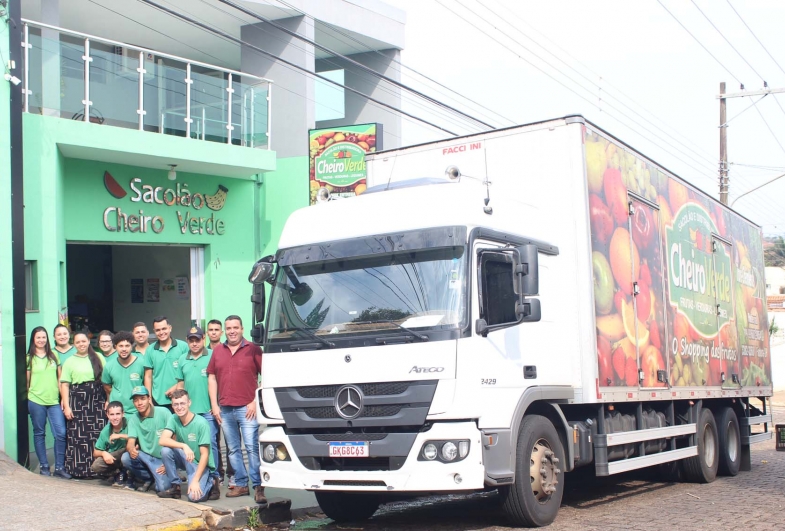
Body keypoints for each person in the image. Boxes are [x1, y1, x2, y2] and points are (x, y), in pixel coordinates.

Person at [208, 315, 265, 504]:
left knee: (251, 448)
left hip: (247, 408)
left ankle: (258, 486)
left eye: (235, 327)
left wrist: (256, 400)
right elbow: (212, 377)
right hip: (225, 409)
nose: (232, 331)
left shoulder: (253, 349)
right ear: (225, 331)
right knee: (233, 450)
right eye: (229, 328)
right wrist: (214, 405)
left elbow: (267, 375)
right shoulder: (218, 352)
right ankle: (241, 484)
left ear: (242, 329)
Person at [175, 326, 221, 482]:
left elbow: (217, 382)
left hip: (208, 410)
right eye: (191, 340)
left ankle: (214, 476)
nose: (194, 343)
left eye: (197, 340)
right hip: (189, 412)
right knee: (190, 443)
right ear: (187, 341)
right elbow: (180, 385)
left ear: (204, 339)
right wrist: (179, 406)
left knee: (211, 443)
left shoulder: (212, 356)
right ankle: (196, 473)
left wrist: (215, 405)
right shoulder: (182, 359)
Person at [158, 389, 220, 501]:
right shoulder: (174, 418)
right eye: (176, 404)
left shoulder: (201, 423)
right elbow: (162, 440)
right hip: (185, 457)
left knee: (194, 497)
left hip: (199, 463)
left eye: (182, 403)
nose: (179, 407)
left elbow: (205, 455)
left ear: (189, 403)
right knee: (165, 451)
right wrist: (183, 446)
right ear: (172, 406)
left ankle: (211, 481)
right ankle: (175, 486)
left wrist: (195, 480)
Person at [60, 331, 106, 478]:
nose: (81, 344)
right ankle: (79, 470)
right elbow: (65, 385)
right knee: (78, 437)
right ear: (74, 344)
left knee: (97, 435)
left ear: (88, 342)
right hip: (78, 403)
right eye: (78, 342)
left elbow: (107, 381)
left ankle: (99, 469)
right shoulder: (69, 361)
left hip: (97, 402)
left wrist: (109, 400)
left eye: (84, 341)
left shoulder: (98, 357)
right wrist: (67, 406)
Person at [26, 326, 69, 478]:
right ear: (33, 339)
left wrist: (63, 399)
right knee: (39, 433)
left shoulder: (54, 355)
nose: (41, 340)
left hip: (53, 401)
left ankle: (59, 467)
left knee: (61, 433)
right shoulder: (29, 358)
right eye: (38, 337)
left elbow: (60, 379)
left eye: (44, 337)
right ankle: (44, 466)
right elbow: (27, 381)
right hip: (36, 400)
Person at [122, 386, 173, 493]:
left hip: (162, 458)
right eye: (135, 400)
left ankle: (162, 476)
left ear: (149, 399)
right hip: (146, 457)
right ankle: (148, 477)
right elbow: (130, 442)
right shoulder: (133, 418)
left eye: (142, 398)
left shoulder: (164, 412)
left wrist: (167, 462)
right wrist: (131, 449)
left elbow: (174, 438)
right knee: (126, 458)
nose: (139, 403)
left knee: (163, 488)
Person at [205, 319, 233, 486]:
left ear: (221, 332)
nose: (214, 332)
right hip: (211, 407)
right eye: (211, 330)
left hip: (228, 404)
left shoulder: (227, 350)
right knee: (213, 441)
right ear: (207, 333)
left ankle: (232, 474)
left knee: (231, 441)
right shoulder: (203, 352)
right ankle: (218, 473)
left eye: (217, 329)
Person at [143, 316, 188, 412]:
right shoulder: (150, 350)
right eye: (158, 330)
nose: (161, 332)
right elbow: (148, 376)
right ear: (154, 331)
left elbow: (188, 373)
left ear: (170, 328)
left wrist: (176, 387)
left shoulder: (183, 347)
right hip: (157, 400)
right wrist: (149, 398)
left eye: (164, 328)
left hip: (180, 399)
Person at [102, 330, 147, 414]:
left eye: (127, 346)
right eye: (121, 346)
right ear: (115, 347)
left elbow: (147, 383)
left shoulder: (142, 363)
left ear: (132, 347)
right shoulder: (109, 366)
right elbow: (107, 387)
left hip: (137, 410)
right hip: (117, 412)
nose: (124, 349)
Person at [91, 401, 129, 486]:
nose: (115, 417)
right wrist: (103, 453)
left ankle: (131, 476)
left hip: (128, 452)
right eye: (112, 414)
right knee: (96, 465)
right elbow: (95, 452)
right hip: (114, 457)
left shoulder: (130, 423)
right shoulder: (105, 431)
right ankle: (117, 473)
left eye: (118, 414)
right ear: (107, 415)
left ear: (123, 414)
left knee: (133, 446)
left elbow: (138, 437)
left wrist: (120, 436)